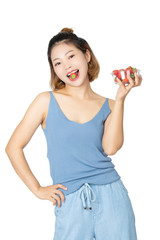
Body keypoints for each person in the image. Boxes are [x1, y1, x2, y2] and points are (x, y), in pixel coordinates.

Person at [5, 27, 142, 240]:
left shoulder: (111, 105)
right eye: (57, 62)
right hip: (68, 200)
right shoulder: (45, 101)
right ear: (54, 69)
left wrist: (122, 98)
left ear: (87, 55)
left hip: (112, 197)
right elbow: (13, 147)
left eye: (71, 56)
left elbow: (111, 148)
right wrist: (38, 189)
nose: (66, 65)